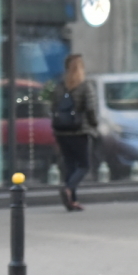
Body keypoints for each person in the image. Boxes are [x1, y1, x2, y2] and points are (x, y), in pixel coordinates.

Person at [50, 53, 98, 211]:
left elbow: (52, 107)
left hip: (61, 131)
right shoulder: (85, 85)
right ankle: (69, 189)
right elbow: (90, 108)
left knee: (70, 165)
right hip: (79, 130)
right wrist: (93, 124)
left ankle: (72, 201)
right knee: (84, 165)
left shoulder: (59, 85)